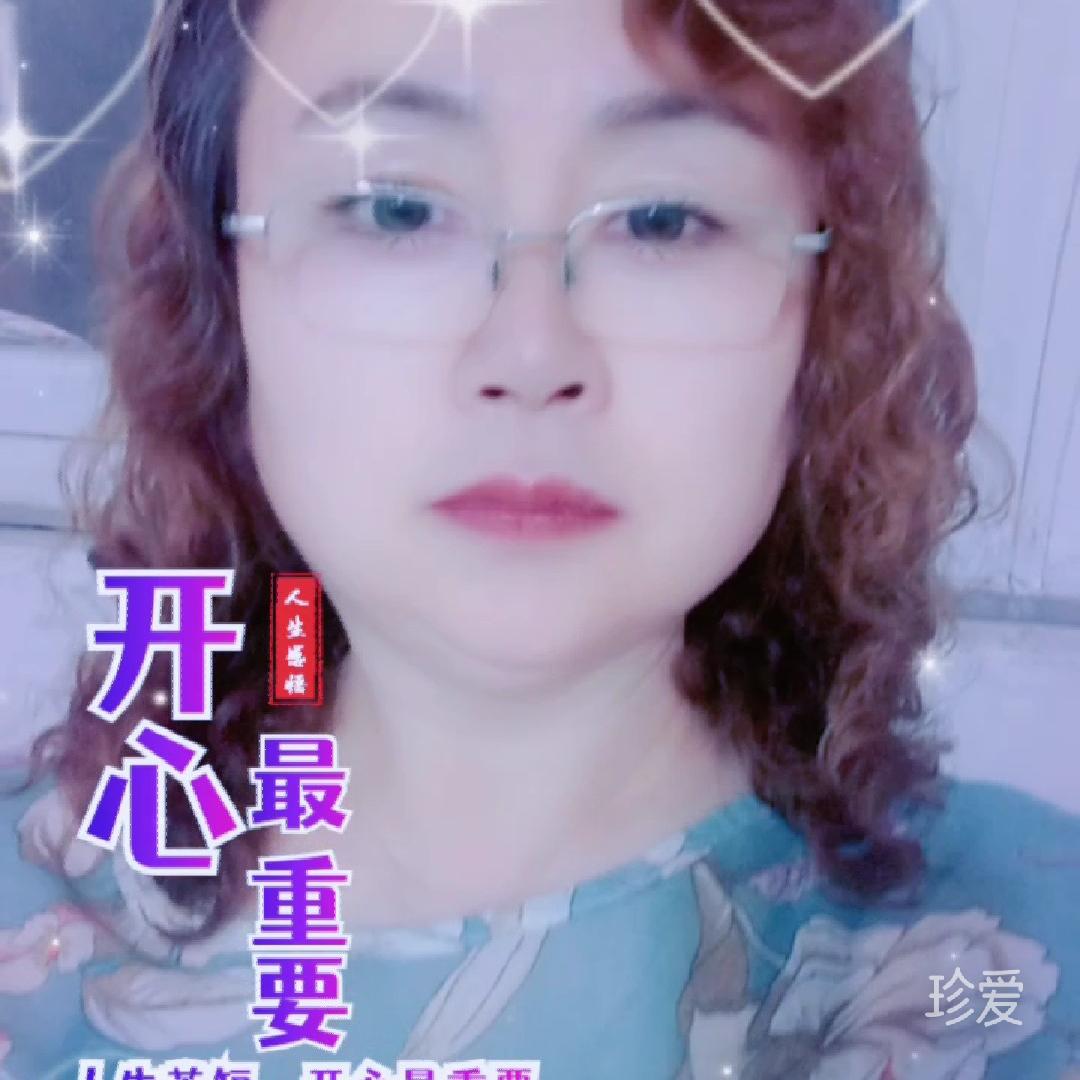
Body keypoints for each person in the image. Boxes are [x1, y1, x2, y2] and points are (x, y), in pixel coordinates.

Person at [1, 0, 1078, 1077]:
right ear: (221, 290)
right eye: (393, 208)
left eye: (662, 220)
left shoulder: (1021, 965)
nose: (529, 352)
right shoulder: (33, 934)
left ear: (827, 309)